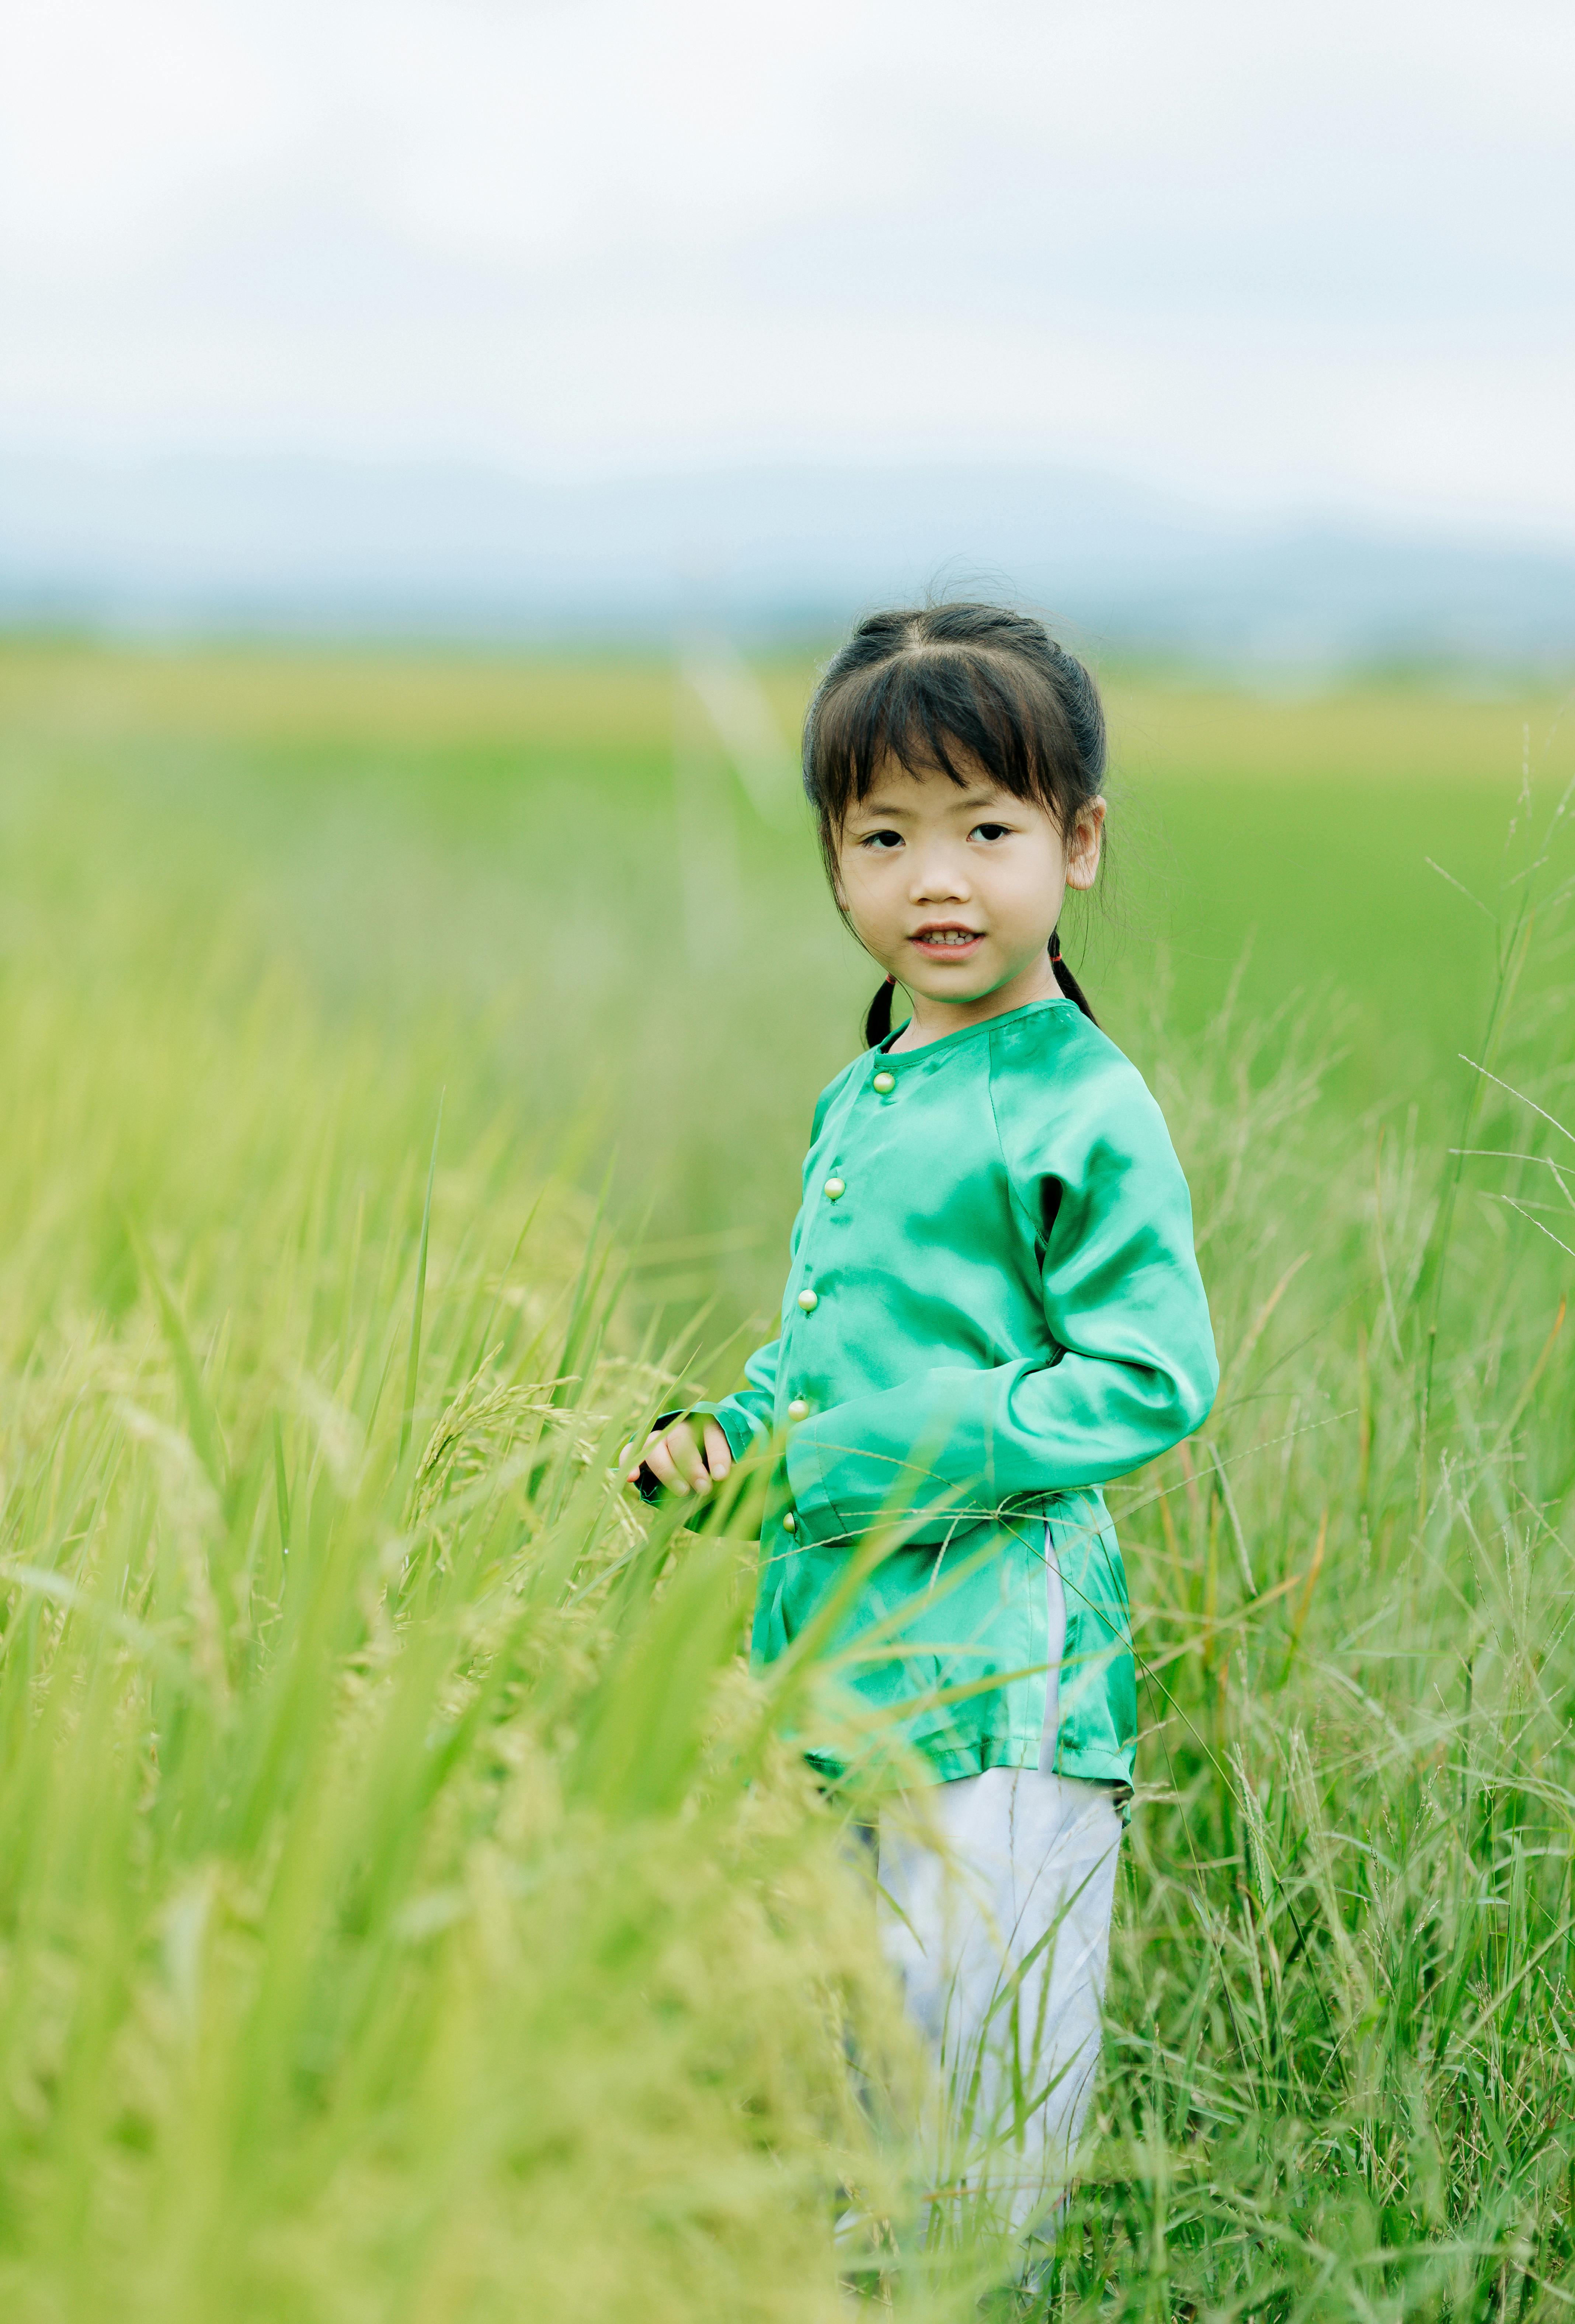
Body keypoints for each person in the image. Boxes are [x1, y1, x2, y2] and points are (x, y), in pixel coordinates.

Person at [626, 602, 1217, 2272]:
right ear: (834, 855)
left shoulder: (1078, 1100)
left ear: (1078, 842)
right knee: (853, 2051)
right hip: (839, 1666)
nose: (935, 878)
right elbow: (823, 1352)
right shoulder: (870, 1081)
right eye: (885, 835)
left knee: (978, 2093)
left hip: (1001, 1687)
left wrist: (868, 1454)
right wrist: (732, 1439)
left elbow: (1150, 1373)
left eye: (988, 828)